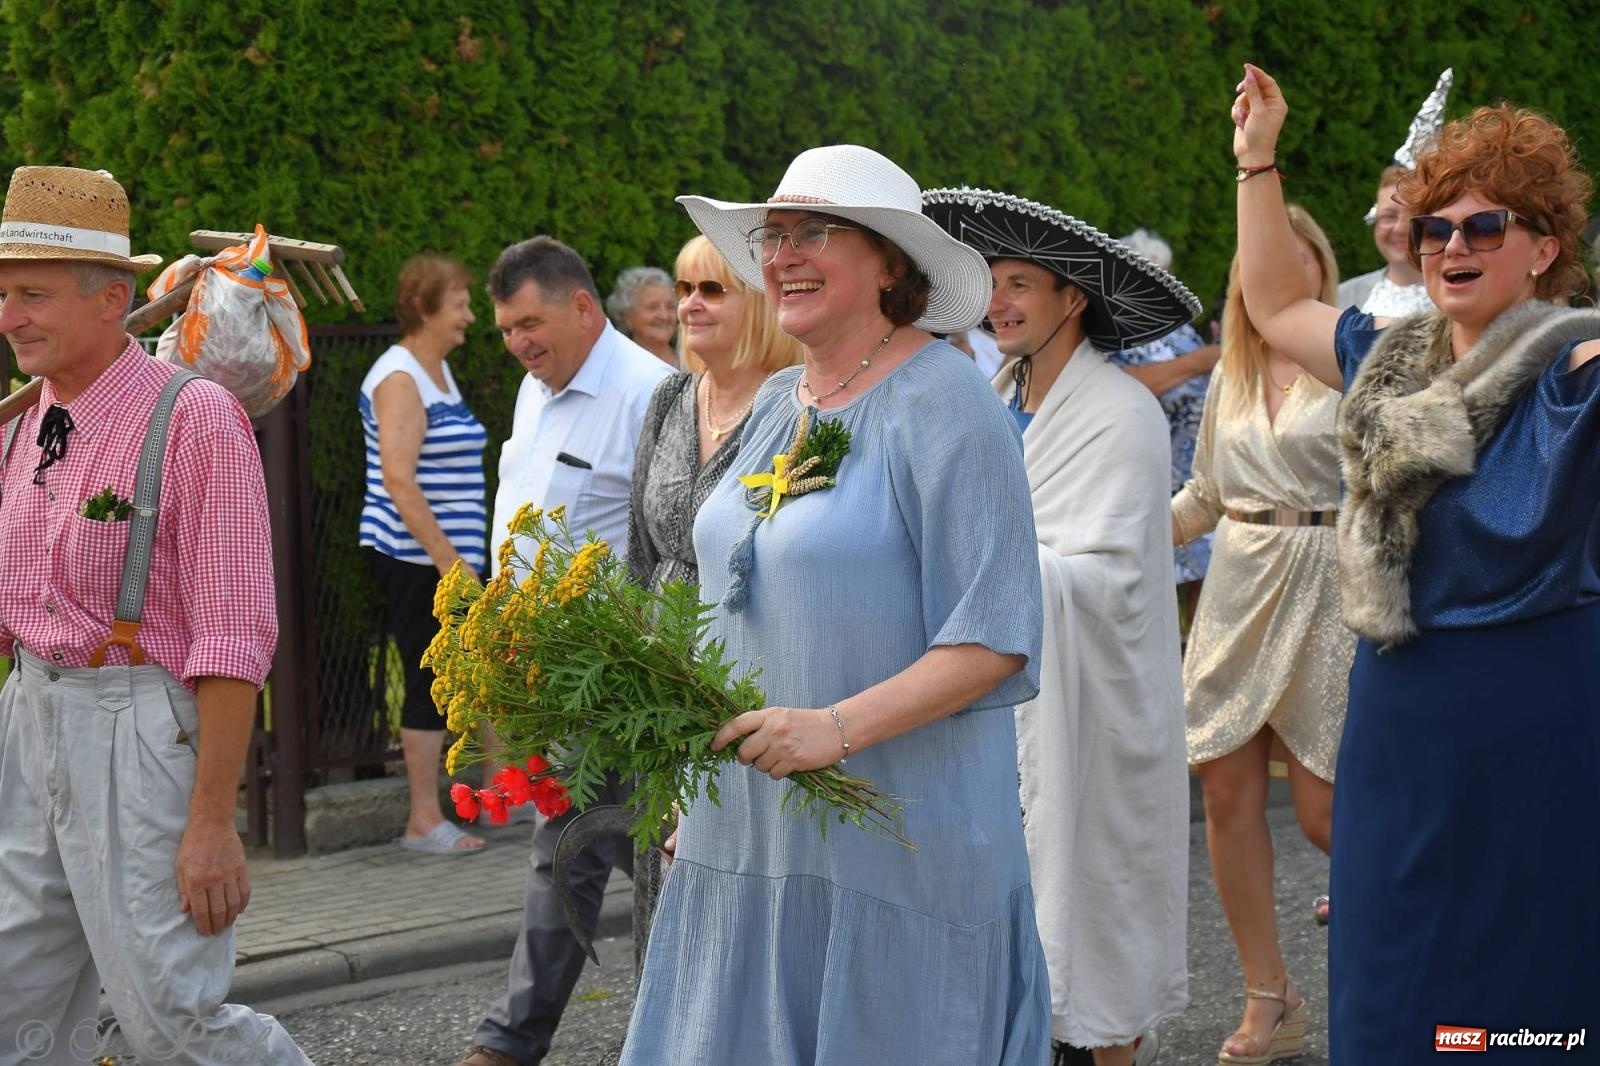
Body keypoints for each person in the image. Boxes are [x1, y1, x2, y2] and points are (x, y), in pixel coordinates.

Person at [620, 145, 1050, 1065]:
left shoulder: (949, 405)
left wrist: (836, 728)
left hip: (895, 844)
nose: (782, 255)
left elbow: (996, 633)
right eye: (773, 235)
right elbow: (731, 598)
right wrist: (692, 789)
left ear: (891, 263)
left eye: (814, 231)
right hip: (749, 837)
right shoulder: (779, 401)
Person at [1234, 64, 1600, 1063]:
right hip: (1400, 722)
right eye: (1436, 227)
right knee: (1395, 987)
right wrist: (1256, 159)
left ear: (1543, 247)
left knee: (1521, 1002)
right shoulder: (1388, 362)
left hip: (1538, 724)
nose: (1451, 246)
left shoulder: (1578, 372)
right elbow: (1270, 303)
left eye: (1483, 228)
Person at [0, 166, 311, 1063]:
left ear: (111, 301)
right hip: (31, 718)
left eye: (33, 294)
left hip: (138, 729)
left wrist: (213, 824)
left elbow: (234, 637)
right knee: (13, 1006)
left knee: (173, 1019)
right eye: (5, 293)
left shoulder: (194, 419)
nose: (10, 315)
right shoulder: (21, 426)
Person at [926, 188, 1194, 1066]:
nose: (998, 304)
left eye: (1019, 285)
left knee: (1094, 932)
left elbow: (1113, 580)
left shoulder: (1123, 415)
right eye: (990, 285)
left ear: (1071, 298)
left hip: (1092, 717)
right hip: (982, 703)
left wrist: (979, 565)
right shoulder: (986, 397)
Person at [456, 236, 670, 1066]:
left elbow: (667, 545)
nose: (518, 343)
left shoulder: (652, 394)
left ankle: (513, 1043)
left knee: (593, 849)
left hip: (620, 673)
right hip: (550, 676)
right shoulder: (531, 393)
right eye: (507, 330)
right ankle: (515, 1040)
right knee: (582, 846)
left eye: (530, 324)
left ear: (583, 307)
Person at [1171, 205, 1353, 1064]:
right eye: (1256, 259)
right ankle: (1268, 996)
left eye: (1293, 256)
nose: (1275, 272)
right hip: (1238, 585)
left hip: (1332, 579)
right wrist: (1105, 534)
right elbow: (1202, 496)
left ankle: (1394, 971)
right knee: (1227, 796)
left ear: (1318, 267)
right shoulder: (1231, 372)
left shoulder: (1359, 359)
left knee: (1327, 813)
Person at [359, 252, 488, 855]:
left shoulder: (436, 370)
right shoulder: (401, 375)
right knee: (425, 677)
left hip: (447, 559)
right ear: (424, 308)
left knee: (473, 674)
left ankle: (495, 798)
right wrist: (447, 561)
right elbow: (398, 480)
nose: (469, 314)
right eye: (459, 301)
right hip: (417, 559)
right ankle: (422, 821)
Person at [627, 235, 803, 592]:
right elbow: (639, 549)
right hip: (657, 639)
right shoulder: (669, 396)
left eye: (710, 290)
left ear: (758, 303)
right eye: (684, 288)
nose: (690, 304)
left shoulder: (792, 408)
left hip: (742, 638)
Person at [1107, 228, 1223, 595]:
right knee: (1152, 585)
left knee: (1204, 583)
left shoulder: (1181, 327)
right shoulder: (1116, 329)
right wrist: (1198, 361)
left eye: (1166, 270)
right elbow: (1122, 387)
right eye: (1151, 270)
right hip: (1147, 475)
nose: (1162, 279)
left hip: (1195, 473)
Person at [1337, 71, 1452, 317]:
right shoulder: (1343, 298)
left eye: (1414, 216)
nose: (1400, 229)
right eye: (1389, 216)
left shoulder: (1459, 299)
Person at [605, 265, 678, 367]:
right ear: (626, 315)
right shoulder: (615, 366)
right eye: (653, 307)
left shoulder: (694, 361)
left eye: (670, 307)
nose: (664, 316)